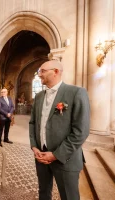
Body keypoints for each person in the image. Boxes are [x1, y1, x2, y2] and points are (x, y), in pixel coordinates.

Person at [29, 60, 90, 200]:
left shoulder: (76, 93)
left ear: (56, 71)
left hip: (65, 158)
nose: (39, 74)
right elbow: (32, 123)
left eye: (43, 71)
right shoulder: (38, 97)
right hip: (41, 156)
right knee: (43, 192)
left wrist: (56, 155)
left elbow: (81, 131)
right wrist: (34, 146)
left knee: (69, 196)